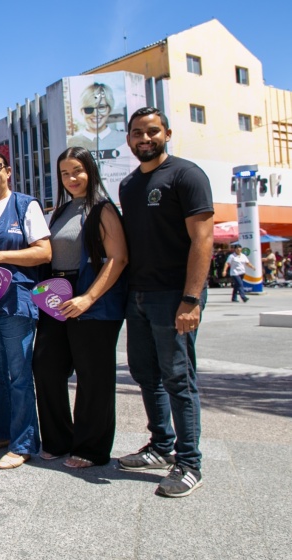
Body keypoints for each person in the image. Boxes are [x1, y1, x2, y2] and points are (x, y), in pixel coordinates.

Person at [117, 107, 214, 498]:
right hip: (138, 294)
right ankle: (160, 446)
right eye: (137, 132)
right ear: (129, 139)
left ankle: (189, 463)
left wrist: (191, 299)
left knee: (178, 378)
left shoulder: (186, 175)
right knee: (145, 373)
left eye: (152, 131)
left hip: (174, 296)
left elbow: (203, 240)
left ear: (167, 134)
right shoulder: (128, 185)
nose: (145, 138)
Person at [32, 147, 128, 468]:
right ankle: (58, 440)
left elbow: (118, 258)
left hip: (92, 299)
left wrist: (88, 298)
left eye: (77, 171)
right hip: (56, 298)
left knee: (93, 375)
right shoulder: (60, 211)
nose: (71, 178)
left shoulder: (102, 208)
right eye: (65, 173)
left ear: (90, 170)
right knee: (45, 367)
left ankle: (90, 448)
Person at [0, 150, 51, 469]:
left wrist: (1, 256)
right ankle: (1, 432)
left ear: (8, 171)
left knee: (19, 374)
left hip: (16, 302)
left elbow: (44, 252)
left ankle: (23, 443)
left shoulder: (24, 205)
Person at [67, 82, 125, 153]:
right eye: (89, 109)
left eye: (101, 107)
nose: (95, 114)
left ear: (109, 109)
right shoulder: (71, 143)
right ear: (82, 111)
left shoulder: (124, 139)